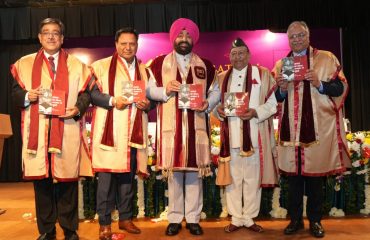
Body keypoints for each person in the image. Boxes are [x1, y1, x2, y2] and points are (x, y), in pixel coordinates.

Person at [10, 18, 96, 240]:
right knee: (42, 183)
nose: (50, 36)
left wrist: (77, 108)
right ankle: (47, 231)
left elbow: (86, 94)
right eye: (46, 33)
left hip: (66, 129)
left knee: (67, 183)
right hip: (37, 132)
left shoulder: (77, 65)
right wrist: (28, 95)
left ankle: (69, 229)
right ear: (39, 37)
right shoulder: (24, 63)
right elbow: (14, 94)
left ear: (62, 38)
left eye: (55, 33)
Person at [273, 21, 351, 238]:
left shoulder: (326, 58)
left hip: (317, 131)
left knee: (316, 180)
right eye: (292, 37)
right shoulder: (282, 64)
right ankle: (295, 220)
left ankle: (315, 221)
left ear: (308, 36)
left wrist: (320, 84)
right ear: (288, 39)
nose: (296, 40)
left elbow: (341, 87)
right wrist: (280, 89)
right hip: (291, 132)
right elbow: (275, 99)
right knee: (294, 180)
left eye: (300, 35)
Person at [146, 18, 220, 236]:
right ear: (173, 38)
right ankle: (176, 218)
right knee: (175, 176)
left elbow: (215, 91)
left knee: (195, 175)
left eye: (188, 35)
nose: (184, 39)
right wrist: (165, 90)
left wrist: (209, 103)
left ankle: (194, 218)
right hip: (172, 129)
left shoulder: (206, 65)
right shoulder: (158, 64)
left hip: (196, 128)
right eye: (181, 35)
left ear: (194, 39)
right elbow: (149, 90)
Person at [90, 27, 150, 240]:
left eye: (131, 43)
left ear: (137, 45)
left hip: (133, 133)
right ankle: (105, 224)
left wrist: (147, 104)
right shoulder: (100, 66)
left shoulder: (144, 69)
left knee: (127, 180)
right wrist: (113, 100)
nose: (127, 47)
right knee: (105, 181)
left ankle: (125, 218)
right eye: (123, 43)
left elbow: (149, 97)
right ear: (116, 44)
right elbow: (92, 94)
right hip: (110, 132)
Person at [215, 38, 278, 233]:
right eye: (234, 54)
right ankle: (235, 217)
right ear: (229, 57)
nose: (237, 57)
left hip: (254, 135)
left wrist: (256, 112)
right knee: (233, 179)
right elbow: (213, 105)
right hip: (231, 135)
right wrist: (218, 111)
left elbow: (273, 104)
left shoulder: (263, 75)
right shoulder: (221, 77)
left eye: (241, 53)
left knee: (252, 179)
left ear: (249, 55)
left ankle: (249, 217)